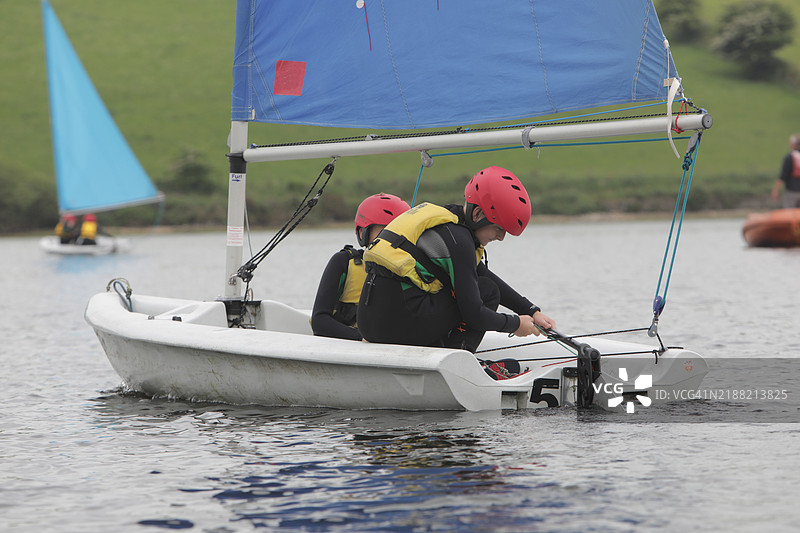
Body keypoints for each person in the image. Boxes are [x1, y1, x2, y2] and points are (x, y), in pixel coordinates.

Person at [358, 166, 556, 362]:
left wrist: (531, 311)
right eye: (498, 229)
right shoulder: (459, 241)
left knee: (481, 285)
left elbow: (482, 273)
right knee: (487, 291)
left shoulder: (448, 225)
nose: (501, 237)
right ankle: (458, 362)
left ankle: (445, 350)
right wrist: (514, 324)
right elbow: (474, 315)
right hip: (395, 329)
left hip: (369, 324)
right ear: (477, 214)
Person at [311, 193, 411, 341]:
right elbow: (319, 322)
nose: (392, 241)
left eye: (398, 234)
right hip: (350, 348)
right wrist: (361, 338)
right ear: (362, 232)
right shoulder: (343, 262)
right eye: (384, 233)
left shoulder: (412, 269)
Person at [771, 134, 800, 208]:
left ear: (793, 144)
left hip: (791, 190)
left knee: (790, 212)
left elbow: (784, 175)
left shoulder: (789, 157)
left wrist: (776, 190)